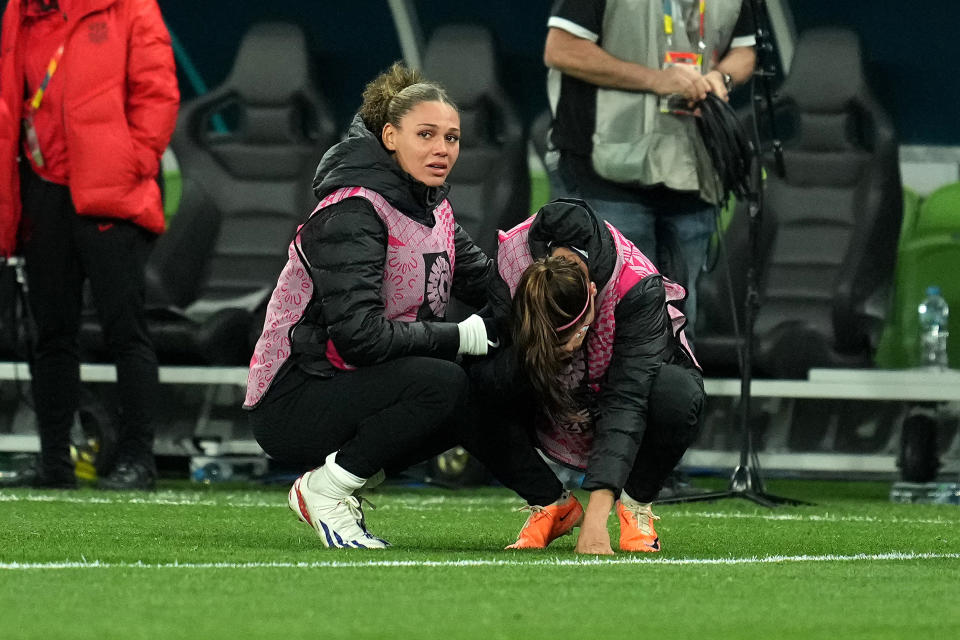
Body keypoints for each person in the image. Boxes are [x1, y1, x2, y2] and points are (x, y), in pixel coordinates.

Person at [244, 62, 497, 549]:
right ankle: (329, 488)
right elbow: (360, 335)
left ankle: (551, 502)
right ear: (388, 136)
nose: (442, 149)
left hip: (351, 380)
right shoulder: (353, 208)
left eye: (452, 137)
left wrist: (561, 297)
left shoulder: (432, 206)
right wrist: (457, 335)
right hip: (295, 395)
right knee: (443, 381)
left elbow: (488, 282)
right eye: (426, 134)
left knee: (485, 384)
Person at [0, 0, 179, 489]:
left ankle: (136, 461)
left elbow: (158, 93)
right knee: (50, 333)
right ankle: (55, 462)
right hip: (43, 190)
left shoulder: (130, 8)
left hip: (109, 191)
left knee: (126, 329)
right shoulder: (22, 12)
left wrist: (130, 163)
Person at [464, 199, 704, 554]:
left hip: (612, 387)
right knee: (469, 384)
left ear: (593, 293)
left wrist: (595, 521)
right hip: (547, 390)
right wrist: (548, 354)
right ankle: (550, 502)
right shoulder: (512, 260)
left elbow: (628, 398)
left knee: (677, 393)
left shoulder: (636, 285)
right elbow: (501, 348)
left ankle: (635, 504)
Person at [542, 0, 757, 339]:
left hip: (691, 169)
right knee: (614, 313)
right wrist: (656, 80)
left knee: (680, 320)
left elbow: (745, 49)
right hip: (604, 172)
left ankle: (671, 390)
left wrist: (721, 77)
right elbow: (562, 49)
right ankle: (613, 393)